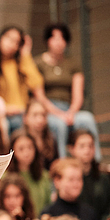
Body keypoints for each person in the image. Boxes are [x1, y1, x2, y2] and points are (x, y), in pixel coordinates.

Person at [34, 24, 101, 159]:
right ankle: (63, 163)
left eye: (62, 38)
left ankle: (96, 161)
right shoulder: (38, 63)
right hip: (48, 110)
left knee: (87, 119)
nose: (59, 42)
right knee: (59, 125)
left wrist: (71, 112)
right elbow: (39, 95)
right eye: (55, 38)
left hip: (69, 109)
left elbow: (78, 94)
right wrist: (58, 113)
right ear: (48, 40)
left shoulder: (73, 64)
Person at [0, 26, 44, 132]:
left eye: (16, 42)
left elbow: (36, 83)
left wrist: (26, 54)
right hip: (1, 112)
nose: (10, 43)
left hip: (23, 112)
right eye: (8, 38)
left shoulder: (22, 64)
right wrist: (6, 109)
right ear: (1, 38)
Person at [69, 129, 110, 220]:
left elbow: (109, 209)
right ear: (72, 149)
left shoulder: (103, 178)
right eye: (82, 146)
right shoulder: (67, 179)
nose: (87, 150)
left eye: (91, 146)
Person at [7, 130, 53, 215]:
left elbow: (48, 204)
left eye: (30, 147)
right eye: (21, 149)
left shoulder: (44, 175)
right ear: (13, 151)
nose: (26, 153)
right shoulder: (5, 177)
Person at [22, 99, 57, 169]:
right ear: (25, 118)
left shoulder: (51, 140)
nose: (40, 120)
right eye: (35, 115)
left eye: (43, 115)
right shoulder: (20, 140)